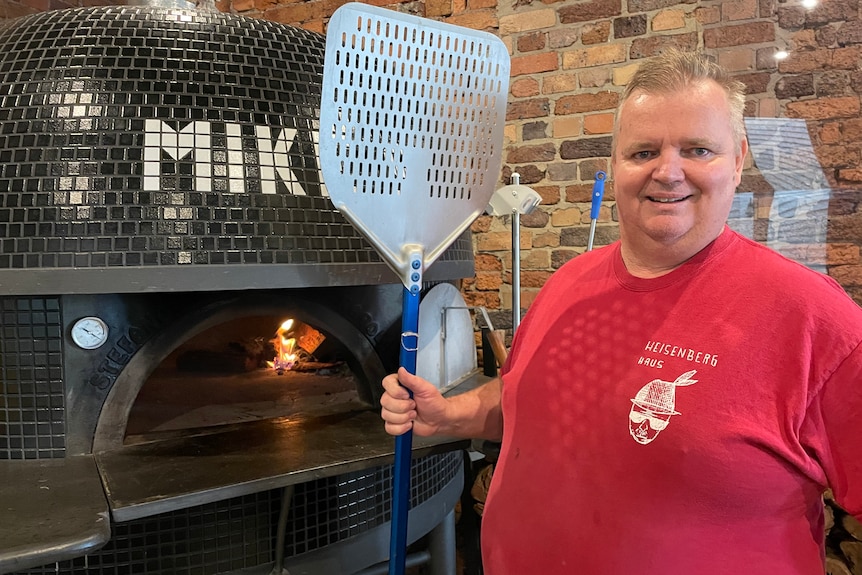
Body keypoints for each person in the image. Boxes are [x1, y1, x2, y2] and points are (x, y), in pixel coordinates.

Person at [380, 49, 862, 573]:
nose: (668, 172)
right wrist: (450, 413)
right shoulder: (569, 282)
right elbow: (527, 403)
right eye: (643, 152)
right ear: (615, 166)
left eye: (698, 149)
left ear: (739, 160)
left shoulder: (814, 318)